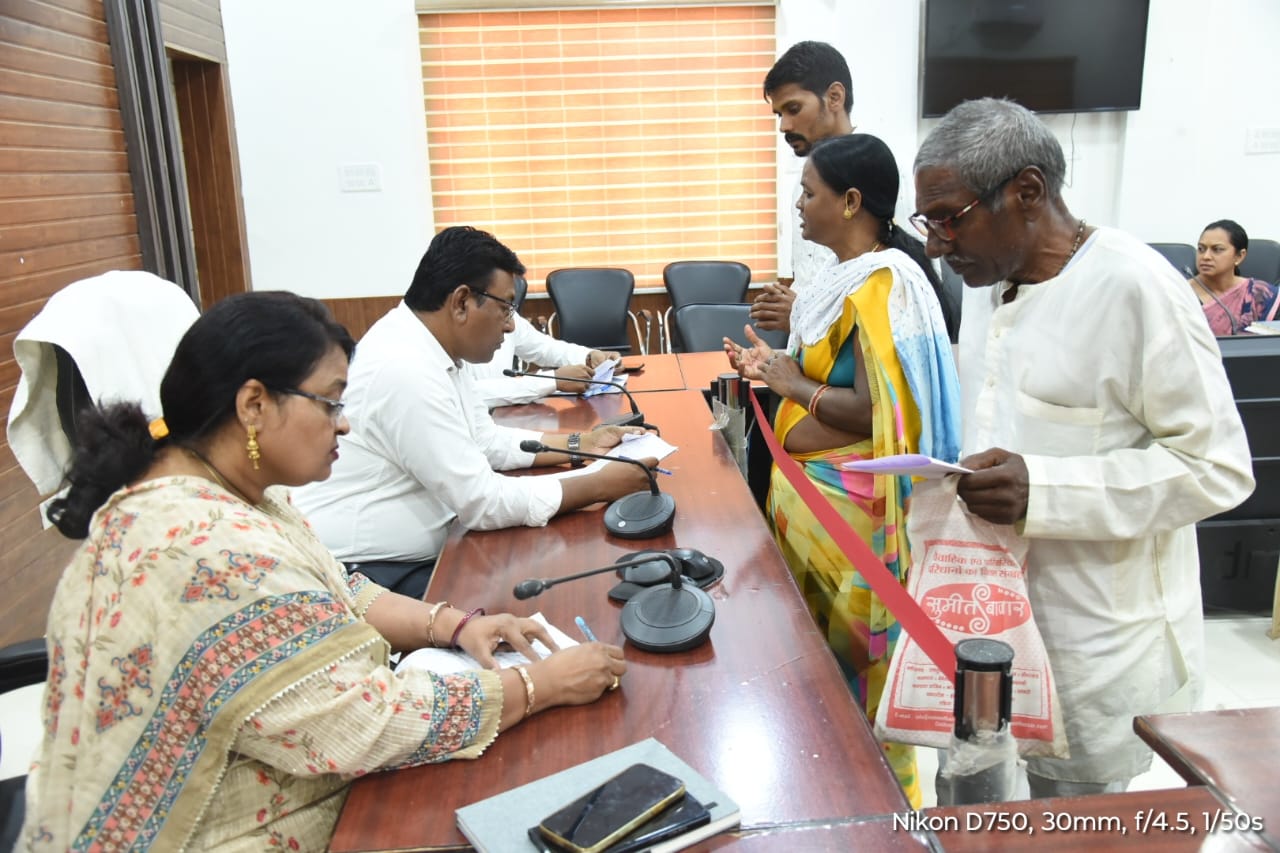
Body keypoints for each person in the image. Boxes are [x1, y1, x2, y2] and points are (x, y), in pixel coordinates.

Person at [20, 291, 626, 851]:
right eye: (331, 402)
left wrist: (456, 624)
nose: (345, 423)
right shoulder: (207, 547)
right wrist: (539, 685)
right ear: (254, 404)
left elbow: (338, 590)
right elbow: (362, 723)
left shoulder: (219, 487)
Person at [912, 97, 1254, 799]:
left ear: (1027, 192)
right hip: (984, 615)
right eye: (929, 223)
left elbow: (1217, 468)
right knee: (971, 810)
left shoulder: (1137, 288)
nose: (937, 246)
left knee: (1071, 825)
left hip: (1093, 639)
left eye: (949, 219)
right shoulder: (986, 282)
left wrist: (1044, 489)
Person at [724, 133, 962, 808]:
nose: (798, 204)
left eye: (808, 192)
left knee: (860, 673)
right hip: (813, 504)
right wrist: (774, 368)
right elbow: (822, 375)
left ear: (851, 201)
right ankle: (826, 798)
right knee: (816, 669)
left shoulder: (884, 285)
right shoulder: (841, 278)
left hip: (854, 515)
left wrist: (789, 384)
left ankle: (884, 815)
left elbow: (877, 411)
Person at [293, 227, 654, 599]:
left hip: (431, 546)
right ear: (462, 302)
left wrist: (582, 444)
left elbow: (486, 442)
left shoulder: (435, 348)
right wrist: (599, 485)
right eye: (506, 308)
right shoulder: (404, 368)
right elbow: (483, 503)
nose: (511, 325)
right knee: (547, 594)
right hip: (373, 573)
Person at [752, 41, 856, 334]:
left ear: (834, 97)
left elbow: (895, 300)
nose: (784, 126)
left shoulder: (878, 173)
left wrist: (801, 312)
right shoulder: (804, 181)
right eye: (779, 114)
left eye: (793, 109)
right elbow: (813, 284)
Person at [463, 308, 619, 408]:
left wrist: (587, 356)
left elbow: (543, 347)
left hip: (508, 420)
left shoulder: (505, 312)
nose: (511, 325)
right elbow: (472, 393)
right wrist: (553, 381)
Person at [1187, 219, 1279, 335]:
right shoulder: (1180, 293)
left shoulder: (1260, 294)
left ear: (1239, 256)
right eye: (1201, 249)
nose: (1206, 256)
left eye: (1217, 250)